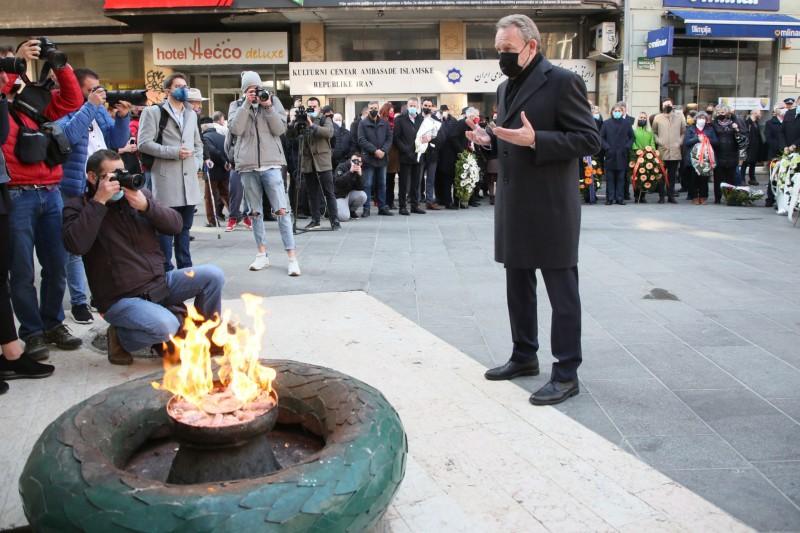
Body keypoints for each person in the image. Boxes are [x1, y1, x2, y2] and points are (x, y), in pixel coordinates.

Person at [468, 14, 600, 406]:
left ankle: (566, 372)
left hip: (551, 207)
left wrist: (536, 139)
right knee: (518, 286)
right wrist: (488, 141)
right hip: (514, 205)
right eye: (498, 51)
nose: (502, 57)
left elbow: (588, 139)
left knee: (562, 292)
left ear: (531, 46)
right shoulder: (505, 87)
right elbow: (511, 138)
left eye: (507, 50)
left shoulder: (563, 82)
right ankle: (524, 355)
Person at [62, 149, 225, 364]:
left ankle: (208, 338)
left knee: (213, 276)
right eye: (112, 176)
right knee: (167, 325)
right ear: (93, 178)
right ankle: (120, 337)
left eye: (122, 172)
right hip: (120, 298)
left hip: (159, 283)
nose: (119, 181)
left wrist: (147, 207)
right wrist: (99, 202)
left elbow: (176, 225)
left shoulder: (137, 197)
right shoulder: (78, 207)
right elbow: (76, 245)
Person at [3, 39, 84, 361]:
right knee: (22, 272)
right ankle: (32, 332)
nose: (15, 70)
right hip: (16, 195)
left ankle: (53, 324)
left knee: (56, 266)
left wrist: (59, 64)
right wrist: (15, 63)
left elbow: (73, 100)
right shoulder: (2, 106)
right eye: (8, 64)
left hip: (51, 193)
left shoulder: (35, 104)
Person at [57, 68, 132, 325]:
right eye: (90, 89)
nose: (97, 93)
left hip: (103, 183)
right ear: (75, 89)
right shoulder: (63, 110)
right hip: (75, 187)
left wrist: (122, 118)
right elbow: (68, 137)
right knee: (75, 249)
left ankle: (101, 295)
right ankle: (79, 302)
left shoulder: (99, 110)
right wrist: (89, 106)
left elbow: (116, 141)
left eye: (98, 88)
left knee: (105, 241)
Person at [0, 69, 55, 393]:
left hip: (8, 192)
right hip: (16, 191)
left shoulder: (25, 106)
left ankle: (11, 349)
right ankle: (14, 346)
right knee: (15, 275)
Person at [229, 72, 300, 275]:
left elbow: (279, 129)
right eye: (250, 90)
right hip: (247, 165)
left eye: (257, 88)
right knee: (255, 212)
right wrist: (246, 105)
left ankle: (292, 257)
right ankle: (262, 255)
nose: (255, 93)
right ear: (244, 91)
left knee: (282, 211)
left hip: (271, 164)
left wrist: (267, 106)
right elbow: (236, 129)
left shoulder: (273, 101)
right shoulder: (236, 106)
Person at [137, 72, 203, 272]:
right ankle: (165, 270)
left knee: (184, 230)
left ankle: (186, 269)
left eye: (185, 85)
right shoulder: (153, 112)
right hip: (166, 180)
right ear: (168, 90)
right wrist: (173, 152)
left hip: (189, 182)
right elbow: (143, 143)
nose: (182, 89)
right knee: (165, 230)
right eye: (178, 86)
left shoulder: (191, 114)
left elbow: (198, 144)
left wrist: (196, 164)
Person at [295, 98, 339, 231]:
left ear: (319, 108)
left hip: (322, 161)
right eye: (310, 107)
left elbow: (329, 133)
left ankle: (334, 220)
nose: (312, 109)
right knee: (312, 193)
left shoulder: (325, 119)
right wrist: (297, 122)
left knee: (329, 192)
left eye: (314, 106)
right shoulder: (302, 120)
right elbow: (292, 136)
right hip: (308, 162)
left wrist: (312, 124)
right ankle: (315, 220)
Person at [358, 100, 393, 217]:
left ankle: (382, 207)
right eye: (371, 108)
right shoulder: (362, 123)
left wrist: (383, 150)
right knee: (367, 184)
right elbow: (361, 140)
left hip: (382, 158)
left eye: (375, 108)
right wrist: (374, 150)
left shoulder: (384, 123)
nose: (374, 110)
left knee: (382, 184)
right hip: (369, 159)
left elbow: (389, 138)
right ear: (368, 110)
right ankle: (366, 209)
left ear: (378, 109)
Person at [393, 97, 426, 215]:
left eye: (414, 106)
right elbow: (396, 138)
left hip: (418, 155)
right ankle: (402, 206)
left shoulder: (421, 119)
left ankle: (414, 205)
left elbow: (424, 135)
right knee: (403, 183)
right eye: (410, 105)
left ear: (418, 107)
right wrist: (406, 150)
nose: (412, 108)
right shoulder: (400, 119)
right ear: (407, 106)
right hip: (405, 156)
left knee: (416, 182)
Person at [651, 98, 684, 204]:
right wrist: (658, 141)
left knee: (672, 175)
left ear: (672, 105)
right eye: (665, 104)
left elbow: (683, 131)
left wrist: (679, 142)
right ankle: (661, 196)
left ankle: (671, 196)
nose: (667, 106)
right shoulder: (658, 118)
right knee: (661, 175)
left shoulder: (679, 117)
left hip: (675, 151)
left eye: (669, 104)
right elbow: (654, 132)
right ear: (662, 106)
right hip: (662, 150)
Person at [600, 104, 633, 205]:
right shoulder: (606, 123)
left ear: (622, 112)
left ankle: (619, 198)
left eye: (619, 111)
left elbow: (632, 137)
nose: (617, 112)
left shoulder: (627, 123)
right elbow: (601, 137)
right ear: (612, 112)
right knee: (610, 178)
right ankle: (610, 198)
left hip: (622, 154)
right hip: (610, 154)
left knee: (620, 178)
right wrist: (607, 148)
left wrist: (627, 147)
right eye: (615, 110)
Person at [200, 116, 230, 227]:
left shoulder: (205, 137)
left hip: (212, 171)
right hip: (225, 170)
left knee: (209, 197)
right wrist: (226, 162)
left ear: (203, 127)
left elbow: (212, 151)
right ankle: (235, 214)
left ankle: (212, 220)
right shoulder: (222, 137)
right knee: (226, 194)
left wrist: (222, 161)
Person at [683, 111, 718, 205]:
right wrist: (697, 139)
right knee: (693, 178)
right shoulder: (690, 129)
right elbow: (686, 142)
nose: (701, 120)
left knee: (704, 179)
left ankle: (703, 196)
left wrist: (707, 139)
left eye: (703, 118)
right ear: (696, 119)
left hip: (706, 158)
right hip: (694, 158)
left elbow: (716, 142)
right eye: (700, 118)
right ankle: (694, 196)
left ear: (706, 120)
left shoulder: (710, 129)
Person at [417, 99, 444, 209]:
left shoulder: (436, 119)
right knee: (418, 179)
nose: (427, 107)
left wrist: (432, 140)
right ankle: (416, 201)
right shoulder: (417, 119)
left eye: (429, 105)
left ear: (432, 107)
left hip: (432, 154)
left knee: (430, 179)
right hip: (419, 152)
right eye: (425, 105)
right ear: (422, 106)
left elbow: (441, 136)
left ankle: (429, 201)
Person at [711, 105, 741, 204]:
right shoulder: (713, 124)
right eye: (718, 112)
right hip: (718, 154)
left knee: (730, 178)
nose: (720, 114)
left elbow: (741, 138)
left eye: (723, 112)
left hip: (732, 153)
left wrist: (736, 130)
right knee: (718, 178)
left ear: (728, 113)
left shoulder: (734, 123)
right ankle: (717, 198)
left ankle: (730, 197)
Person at [631, 111, 656, 203]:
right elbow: (632, 141)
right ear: (637, 119)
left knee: (646, 175)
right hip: (636, 155)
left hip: (647, 155)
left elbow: (652, 142)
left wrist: (651, 150)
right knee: (636, 176)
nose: (642, 119)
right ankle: (636, 195)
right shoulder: (633, 130)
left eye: (644, 118)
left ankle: (643, 196)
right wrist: (637, 150)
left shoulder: (649, 131)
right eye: (641, 118)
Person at [334, 153, 368, 221]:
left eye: (358, 162)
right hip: (340, 195)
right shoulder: (342, 166)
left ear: (361, 163)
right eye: (354, 161)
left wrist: (360, 176)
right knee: (344, 217)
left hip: (350, 194)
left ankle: (351, 210)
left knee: (363, 195)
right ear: (350, 160)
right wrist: (350, 172)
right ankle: (332, 209)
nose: (356, 163)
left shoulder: (360, 169)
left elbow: (361, 188)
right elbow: (338, 183)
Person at [765, 105, 787, 208]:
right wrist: (781, 147)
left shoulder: (788, 122)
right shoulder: (770, 123)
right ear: (776, 111)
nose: (784, 110)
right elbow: (769, 139)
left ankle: (782, 199)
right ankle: (770, 199)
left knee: (784, 177)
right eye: (782, 108)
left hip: (786, 154)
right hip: (774, 154)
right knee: (773, 176)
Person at [742, 110, 763, 186]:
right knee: (745, 163)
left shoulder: (756, 123)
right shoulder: (747, 123)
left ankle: (752, 178)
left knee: (753, 163)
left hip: (755, 147)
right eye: (759, 113)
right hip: (748, 147)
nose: (760, 115)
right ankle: (742, 179)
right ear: (754, 113)